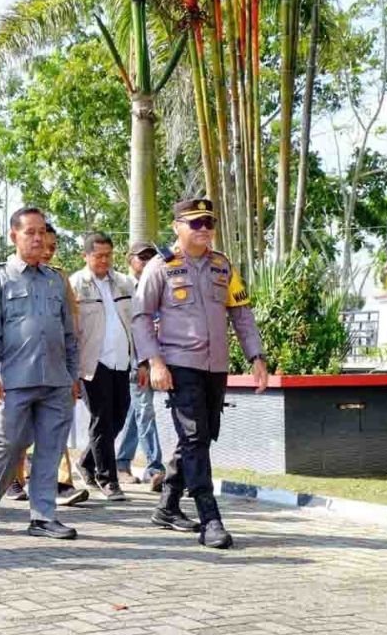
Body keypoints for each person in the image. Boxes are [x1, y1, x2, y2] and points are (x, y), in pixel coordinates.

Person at [133, 198, 268, 549]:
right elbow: (141, 318)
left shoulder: (223, 266)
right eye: (195, 223)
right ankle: (211, 519)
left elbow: (241, 314)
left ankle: (167, 506)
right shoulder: (160, 267)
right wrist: (155, 362)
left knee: (200, 438)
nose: (204, 229)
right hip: (179, 365)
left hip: (215, 366)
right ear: (177, 227)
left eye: (209, 222)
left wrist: (256, 356)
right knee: (194, 439)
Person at [0, 207, 80, 540]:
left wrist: (73, 375)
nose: (38, 238)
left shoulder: (55, 279)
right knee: (10, 445)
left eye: (42, 232)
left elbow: (69, 333)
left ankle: (42, 516)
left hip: (56, 380)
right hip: (14, 381)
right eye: (30, 232)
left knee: (50, 448)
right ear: (13, 236)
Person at [6, 224, 88, 507]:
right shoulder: (5, 277)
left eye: (53, 247)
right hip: (17, 372)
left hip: (54, 369)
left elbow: (71, 325)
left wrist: (72, 370)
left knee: (53, 430)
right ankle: (11, 479)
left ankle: (60, 484)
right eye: (43, 245)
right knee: (16, 434)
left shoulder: (58, 278)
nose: (48, 251)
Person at [69, 232, 135, 502]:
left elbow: (136, 322)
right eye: (98, 255)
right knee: (101, 419)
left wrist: (140, 362)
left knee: (119, 415)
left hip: (121, 361)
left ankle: (86, 462)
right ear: (85, 256)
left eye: (108, 255)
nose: (104, 260)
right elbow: (71, 330)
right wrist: (71, 370)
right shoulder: (75, 284)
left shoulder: (124, 283)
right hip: (92, 364)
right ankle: (108, 480)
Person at [115, 242, 165, 490]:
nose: (146, 262)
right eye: (141, 257)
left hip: (156, 358)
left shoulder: (159, 284)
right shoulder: (123, 287)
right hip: (135, 361)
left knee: (136, 415)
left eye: (150, 257)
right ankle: (155, 468)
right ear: (129, 260)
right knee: (144, 411)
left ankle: (121, 462)